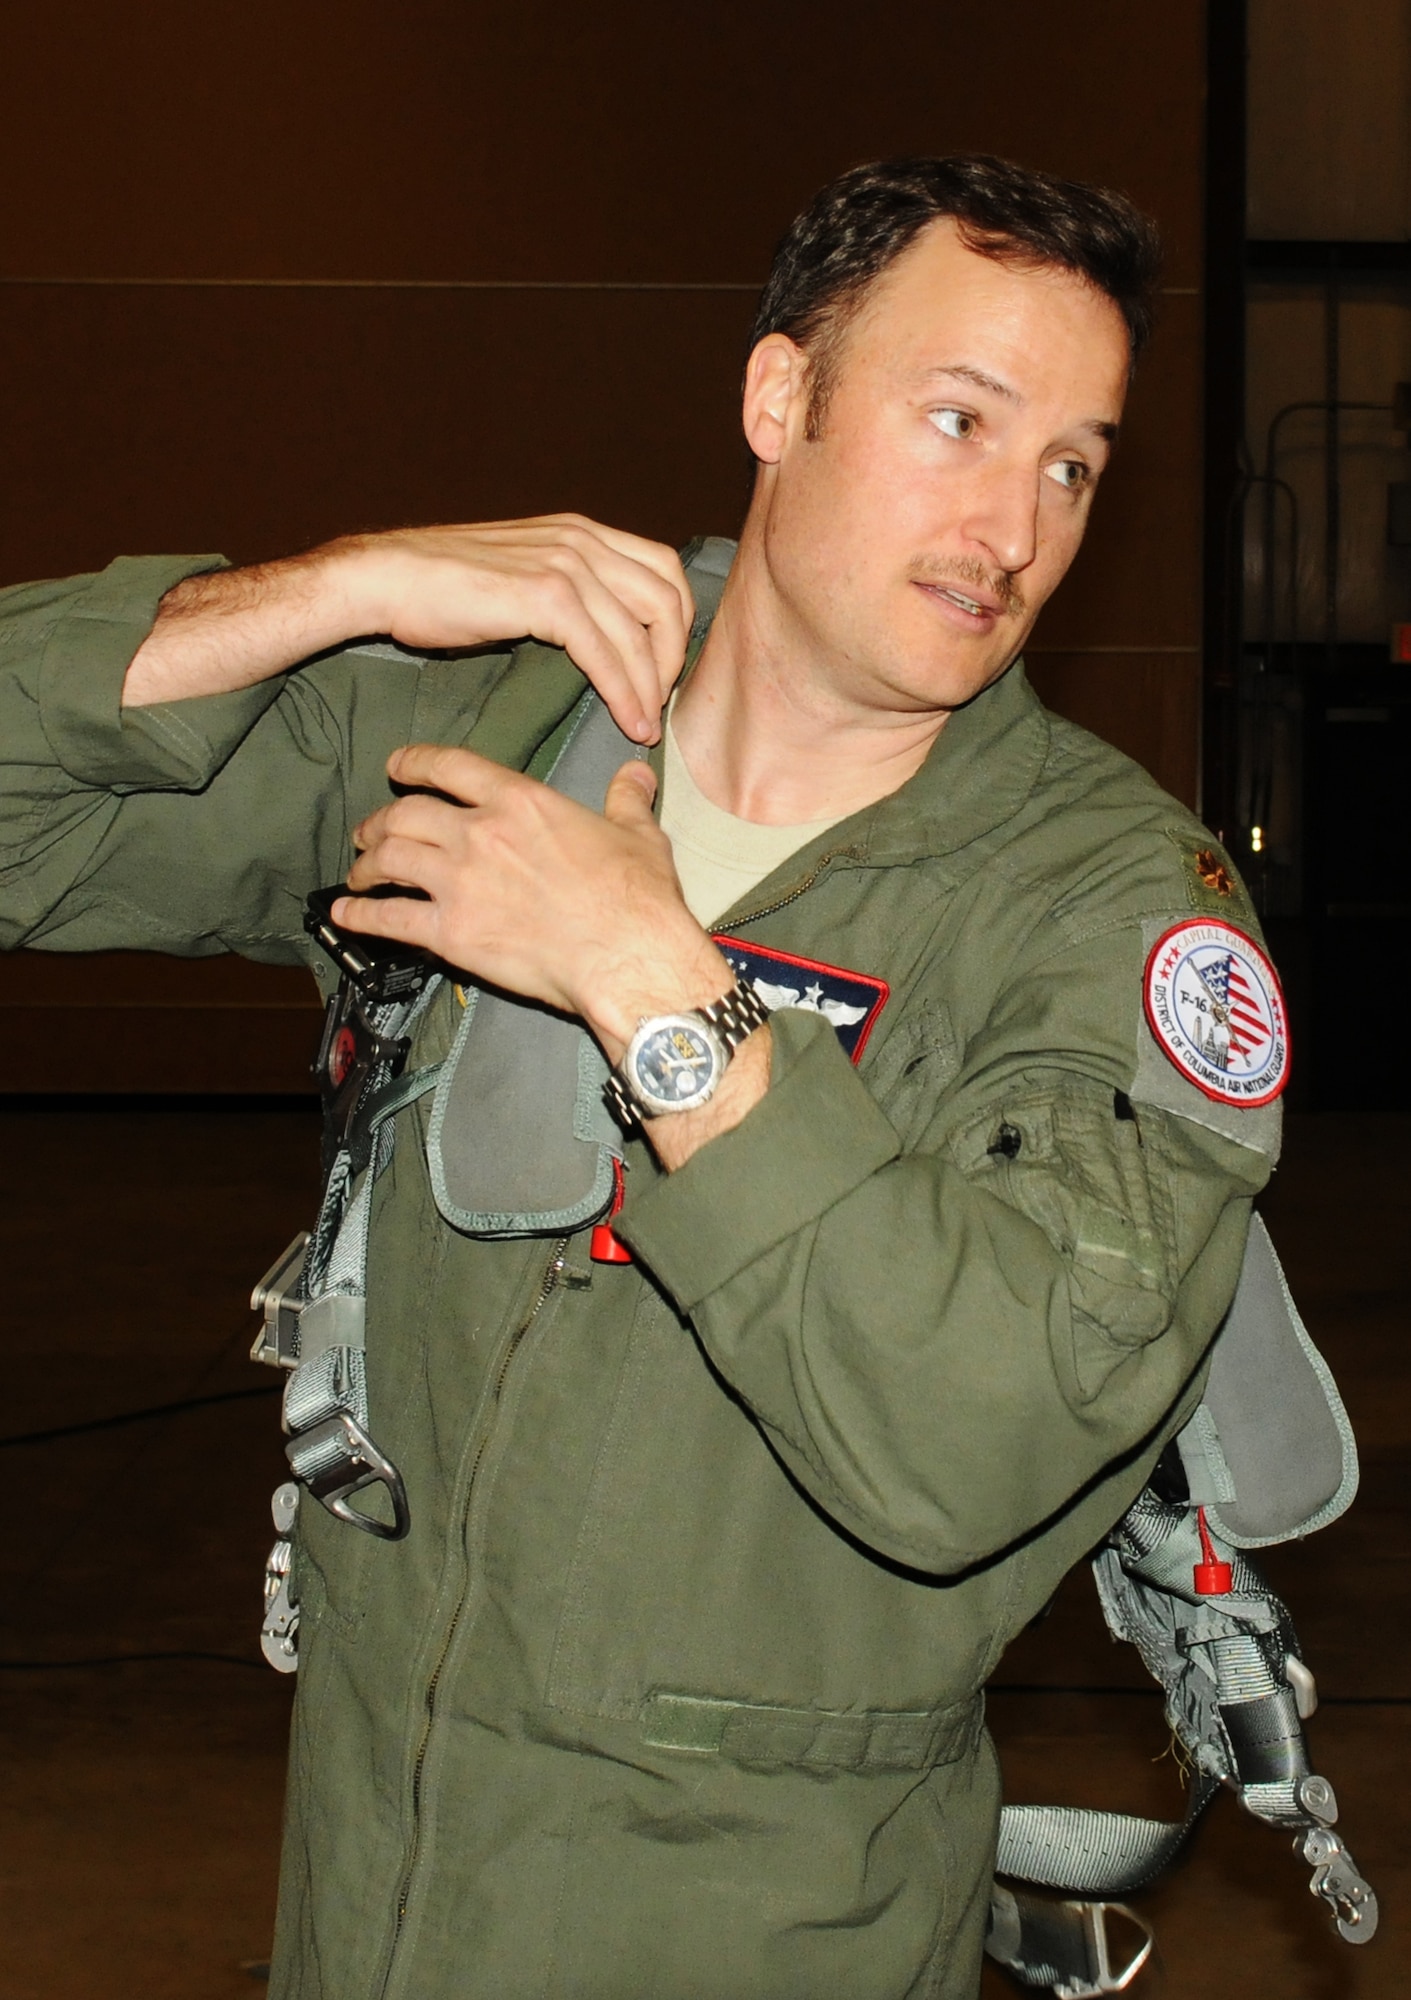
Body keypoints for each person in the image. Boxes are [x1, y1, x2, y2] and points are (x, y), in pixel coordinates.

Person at [0, 157, 1286, 1999]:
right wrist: (332, 588)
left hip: (751, 1932)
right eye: (959, 420)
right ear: (781, 400)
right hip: (374, 1900)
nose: (1015, 525)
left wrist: (646, 980)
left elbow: (978, 1439)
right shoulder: (497, 724)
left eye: (1072, 464)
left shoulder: (1109, 910)